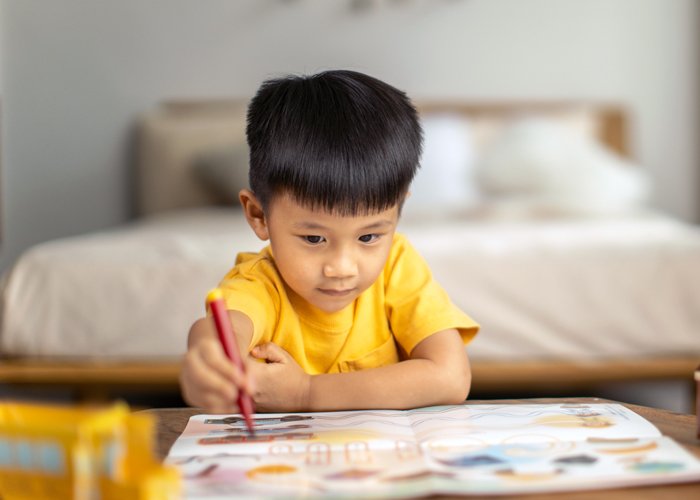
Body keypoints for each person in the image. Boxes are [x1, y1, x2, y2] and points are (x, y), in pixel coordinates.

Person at [180, 69, 479, 413]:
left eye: (368, 236)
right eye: (314, 238)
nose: (342, 268)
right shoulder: (260, 285)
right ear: (258, 215)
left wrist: (307, 393)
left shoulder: (397, 264)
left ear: (398, 212)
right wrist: (208, 358)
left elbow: (452, 377)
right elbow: (225, 329)